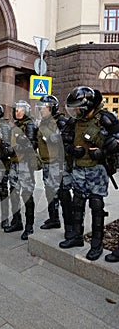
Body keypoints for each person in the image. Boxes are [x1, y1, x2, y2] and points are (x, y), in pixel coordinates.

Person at [59, 86, 119, 261]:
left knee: (96, 204)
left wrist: (103, 152)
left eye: (77, 107)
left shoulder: (106, 119)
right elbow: (63, 138)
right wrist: (71, 149)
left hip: (97, 169)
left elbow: (117, 140)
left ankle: (97, 243)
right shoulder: (75, 121)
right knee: (78, 201)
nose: (75, 111)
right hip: (79, 167)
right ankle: (77, 236)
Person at [4, 100, 38, 240]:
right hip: (14, 163)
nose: (17, 112)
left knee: (27, 195)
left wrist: (14, 149)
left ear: (27, 111)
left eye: (21, 109)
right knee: (13, 192)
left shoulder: (29, 125)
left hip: (25, 164)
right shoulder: (16, 125)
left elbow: (31, 144)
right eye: (16, 109)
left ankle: (29, 226)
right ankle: (16, 221)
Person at [36, 95, 65, 230]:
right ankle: (53, 218)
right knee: (49, 191)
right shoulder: (44, 121)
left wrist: (43, 130)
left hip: (55, 163)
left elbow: (56, 139)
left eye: (43, 108)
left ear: (51, 108)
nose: (41, 110)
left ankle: (61, 222)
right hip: (47, 163)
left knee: (56, 192)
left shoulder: (59, 121)